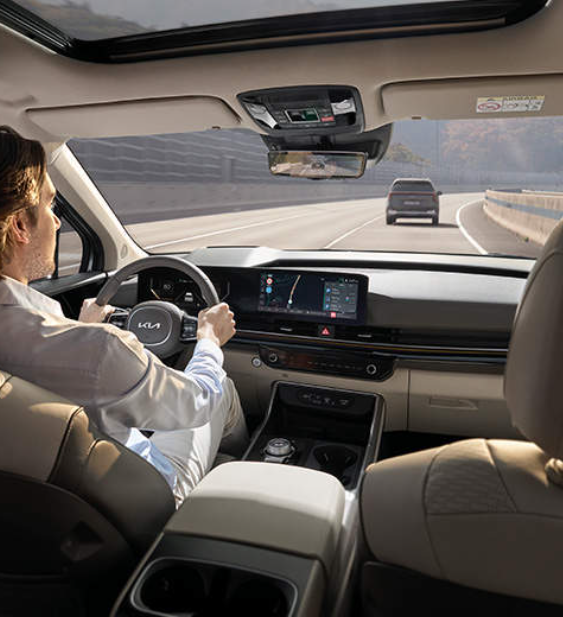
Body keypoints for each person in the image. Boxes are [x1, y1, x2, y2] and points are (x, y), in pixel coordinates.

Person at [0, 126, 247, 506]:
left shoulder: (75, 344)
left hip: (38, 508)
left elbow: (45, 361)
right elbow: (198, 401)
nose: (58, 221)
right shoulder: (101, 351)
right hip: (145, 503)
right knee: (221, 389)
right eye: (50, 206)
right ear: (19, 225)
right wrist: (210, 340)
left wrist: (79, 330)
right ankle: (239, 469)